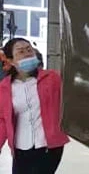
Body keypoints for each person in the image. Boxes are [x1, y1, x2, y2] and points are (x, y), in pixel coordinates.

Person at [0, 38, 69, 173]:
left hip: (48, 146)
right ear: (11, 61)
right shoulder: (4, 87)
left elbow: (68, 100)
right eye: (21, 51)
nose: (27, 53)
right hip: (20, 147)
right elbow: (2, 119)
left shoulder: (52, 78)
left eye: (29, 49)